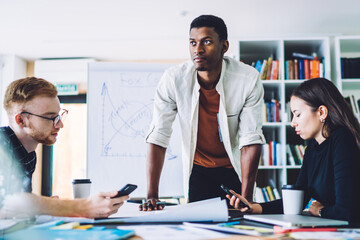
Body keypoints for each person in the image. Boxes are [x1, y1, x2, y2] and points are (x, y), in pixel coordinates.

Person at [140, 15, 265, 211]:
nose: (197, 50)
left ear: (224, 46)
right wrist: (152, 195)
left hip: (232, 170)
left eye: (206, 42)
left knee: (238, 226)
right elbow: (158, 136)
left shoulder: (247, 79)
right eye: (192, 42)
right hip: (198, 171)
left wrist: (246, 197)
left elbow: (250, 139)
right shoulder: (174, 80)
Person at [227, 78, 360, 223]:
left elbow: (346, 212)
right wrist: (254, 207)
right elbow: (297, 201)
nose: (292, 123)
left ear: (321, 112)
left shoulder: (343, 139)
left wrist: (319, 211)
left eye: (297, 114)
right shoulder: (312, 149)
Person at [0, 77, 128, 219]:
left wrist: (49, 207)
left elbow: (12, 214)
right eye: (50, 117)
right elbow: (10, 202)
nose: (60, 125)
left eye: (59, 116)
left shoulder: (28, 154)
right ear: (21, 120)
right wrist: (84, 207)